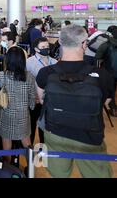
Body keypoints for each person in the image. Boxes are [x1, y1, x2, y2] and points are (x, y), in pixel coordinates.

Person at [36, 25, 113, 178]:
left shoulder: (45, 73)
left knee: (58, 174)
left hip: (55, 133)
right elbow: (106, 103)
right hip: (89, 136)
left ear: (59, 42)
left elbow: (41, 99)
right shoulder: (102, 75)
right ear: (84, 44)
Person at [0, 47, 36, 162]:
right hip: (23, 115)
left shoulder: (1, 75)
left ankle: (7, 169)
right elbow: (32, 98)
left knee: (6, 145)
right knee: (27, 143)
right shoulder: (29, 77)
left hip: (6, 114)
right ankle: (31, 168)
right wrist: (31, 107)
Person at [26, 37, 57, 145]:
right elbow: (26, 82)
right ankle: (29, 152)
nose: (46, 49)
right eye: (43, 47)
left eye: (47, 47)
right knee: (31, 126)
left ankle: (44, 150)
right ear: (36, 49)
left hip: (50, 101)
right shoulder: (29, 62)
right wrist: (33, 96)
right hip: (34, 100)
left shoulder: (54, 62)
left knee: (45, 128)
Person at [95, 25, 117, 117]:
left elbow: (97, 58)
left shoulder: (105, 44)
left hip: (109, 72)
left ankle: (113, 109)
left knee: (111, 91)